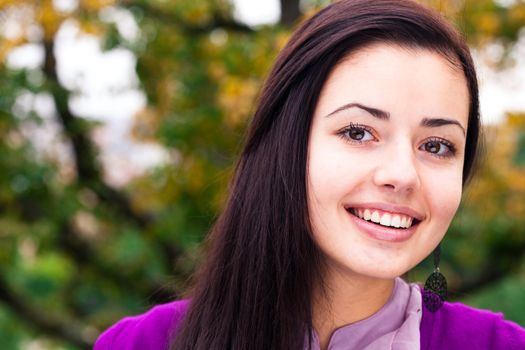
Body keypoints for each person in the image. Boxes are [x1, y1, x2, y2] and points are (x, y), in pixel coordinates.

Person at [94, 0, 525, 349]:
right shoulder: (142, 343)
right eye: (359, 132)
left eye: (436, 146)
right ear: (287, 144)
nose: (402, 174)